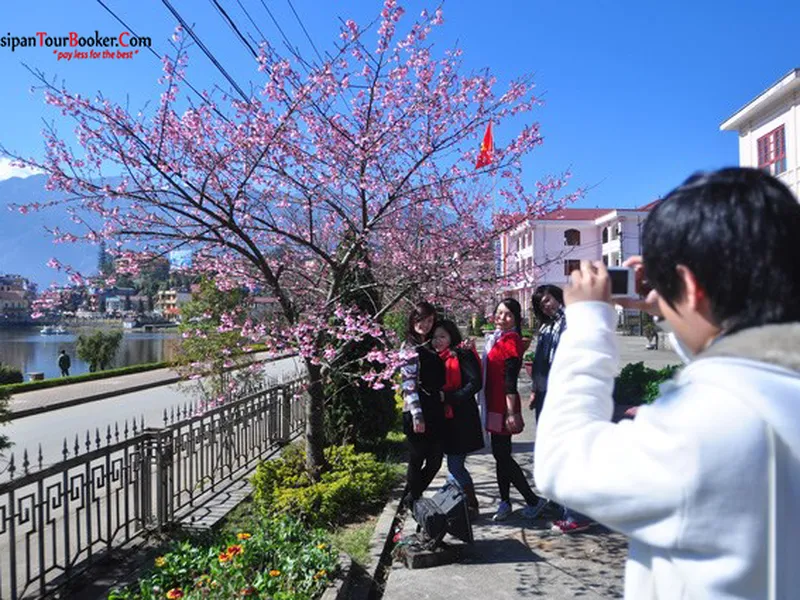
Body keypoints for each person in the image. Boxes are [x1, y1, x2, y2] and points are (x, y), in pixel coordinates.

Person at [534, 167, 800, 598]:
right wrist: (672, 307)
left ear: (691, 287)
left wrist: (586, 320)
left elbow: (561, 460)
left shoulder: (704, 427)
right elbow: (734, 351)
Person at [529, 285, 592, 534]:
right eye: (541, 303)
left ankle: (575, 513)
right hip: (548, 395)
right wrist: (536, 388)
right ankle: (562, 504)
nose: (547, 305)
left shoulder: (572, 320)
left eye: (549, 299)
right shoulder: (548, 326)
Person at [482, 298, 548, 522]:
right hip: (494, 402)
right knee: (500, 455)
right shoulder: (498, 338)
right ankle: (505, 502)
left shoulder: (511, 341)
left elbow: (510, 381)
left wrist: (511, 412)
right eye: (499, 313)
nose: (502, 317)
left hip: (504, 404)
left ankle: (532, 500)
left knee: (502, 455)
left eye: (508, 314)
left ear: (516, 319)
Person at [431, 319, 484, 517]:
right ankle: (458, 505)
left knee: (455, 465)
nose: (438, 341)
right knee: (452, 465)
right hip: (446, 420)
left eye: (442, 336)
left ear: (452, 336)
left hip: (462, 419)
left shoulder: (461, 354)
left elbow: (475, 383)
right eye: (435, 337)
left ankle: (471, 505)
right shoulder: (437, 358)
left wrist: (450, 398)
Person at [400, 301, 446, 507]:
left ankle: (412, 499)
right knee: (417, 458)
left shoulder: (426, 344)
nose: (425, 324)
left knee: (435, 459)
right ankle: (415, 501)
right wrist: (417, 415)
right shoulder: (409, 347)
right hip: (417, 410)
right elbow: (409, 385)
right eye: (420, 319)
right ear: (412, 320)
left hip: (433, 408)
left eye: (429, 320)